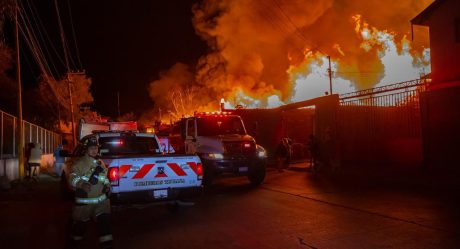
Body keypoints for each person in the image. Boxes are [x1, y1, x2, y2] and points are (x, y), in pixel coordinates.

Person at [68, 137, 113, 249]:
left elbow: (104, 177)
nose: (94, 150)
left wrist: (107, 185)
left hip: (101, 202)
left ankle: (107, 246)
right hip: (84, 204)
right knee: (79, 228)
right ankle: (73, 244)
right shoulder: (79, 163)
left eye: (96, 148)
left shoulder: (100, 163)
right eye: (91, 148)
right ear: (86, 150)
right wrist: (81, 184)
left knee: (105, 225)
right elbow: (72, 177)